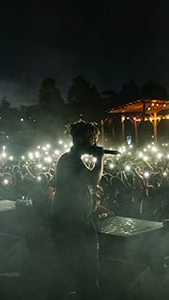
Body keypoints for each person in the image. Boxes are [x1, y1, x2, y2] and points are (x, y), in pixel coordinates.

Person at [48, 120, 104, 300]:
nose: (94, 143)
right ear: (81, 138)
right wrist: (100, 157)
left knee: (88, 271)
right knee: (69, 270)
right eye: (92, 139)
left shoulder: (72, 159)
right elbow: (93, 179)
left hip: (80, 220)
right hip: (70, 221)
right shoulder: (69, 159)